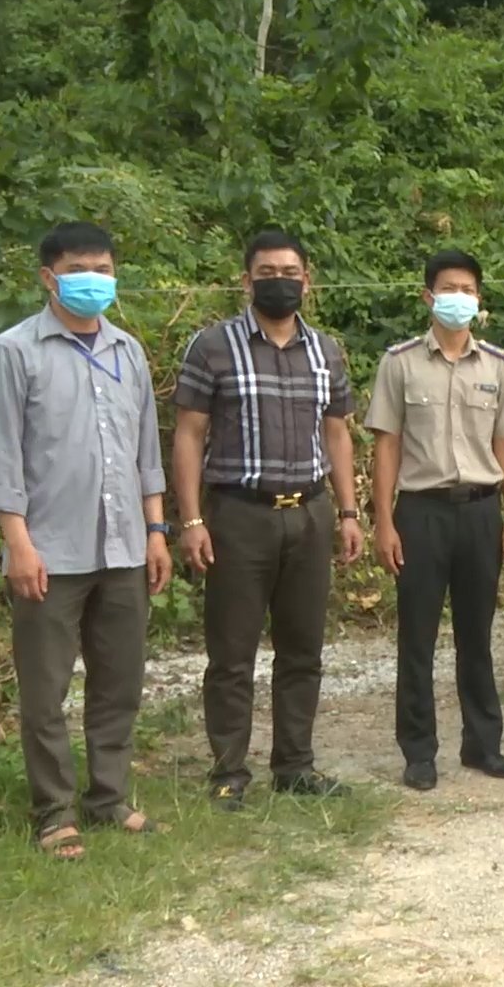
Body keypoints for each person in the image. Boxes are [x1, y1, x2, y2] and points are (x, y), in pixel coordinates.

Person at [0, 222, 172, 860]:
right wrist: (18, 543)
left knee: (119, 682)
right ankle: (54, 812)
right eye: (81, 268)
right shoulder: (13, 352)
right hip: (48, 552)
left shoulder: (127, 352)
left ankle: (109, 797)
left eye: (105, 269)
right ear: (48, 277)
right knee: (46, 689)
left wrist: (157, 530)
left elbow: (147, 451)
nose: (96, 280)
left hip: (124, 549)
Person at [173, 230, 365, 810]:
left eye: (290, 270)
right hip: (239, 516)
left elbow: (337, 432)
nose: (278, 279)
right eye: (266, 270)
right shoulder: (212, 346)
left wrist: (349, 510)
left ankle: (295, 765)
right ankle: (229, 771)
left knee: (303, 648)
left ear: (307, 279)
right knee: (231, 653)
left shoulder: (325, 350)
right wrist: (190, 520)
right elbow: (189, 433)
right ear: (246, 279)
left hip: (308, 513)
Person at [365, 250, 504, 791]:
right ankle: (418, 752)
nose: (457, 297)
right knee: (417, 636)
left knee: (476, 634)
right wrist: (384, 522)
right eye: (447, 287)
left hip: (481, 512)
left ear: (479, 298)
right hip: (420, 513)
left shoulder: (499, 366)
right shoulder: (401, 362)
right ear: (428, 296)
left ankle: (483, 745)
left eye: (467, 288)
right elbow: (386, 445)